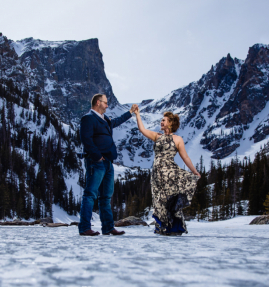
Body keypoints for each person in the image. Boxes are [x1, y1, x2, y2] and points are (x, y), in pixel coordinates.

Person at [132, 108, 200, 235]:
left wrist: (194, 171)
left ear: (170, 123)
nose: (161, 122)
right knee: (158, 200)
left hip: (170, 173)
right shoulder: (157, 136)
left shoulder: (178, 139)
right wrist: (137, 114)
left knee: (168, 200)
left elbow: (185, 157)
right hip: (157, 174)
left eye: (164, 120)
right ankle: (162, 227)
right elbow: (142, 129)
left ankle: (172, 227)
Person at [78, 94, 139, 236]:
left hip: (108, 163)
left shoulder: (104, 120)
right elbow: (86, 139)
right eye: (105, 103)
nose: (107, 105)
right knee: (90, 195)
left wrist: (130, 112)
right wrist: (97, 156)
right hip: (96, 162)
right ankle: (84, 228)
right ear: (98, 103)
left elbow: (117, 121)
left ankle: (108, 227)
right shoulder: (88, 118)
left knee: (106, 197)